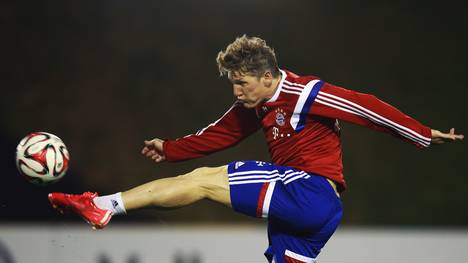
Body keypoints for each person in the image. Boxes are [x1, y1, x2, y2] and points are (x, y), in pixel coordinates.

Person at [49, 35, 464, 263]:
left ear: (268, 76)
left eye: (242, 83)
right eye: (232, 82)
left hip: (308, 190)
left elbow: (365, 107)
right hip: (315, 215)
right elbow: (220, 133)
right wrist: (171, 148)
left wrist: (421, 133)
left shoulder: (304, 93)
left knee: (204, 181)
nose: (236, 91)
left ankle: (105, 205)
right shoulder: (255, 102)